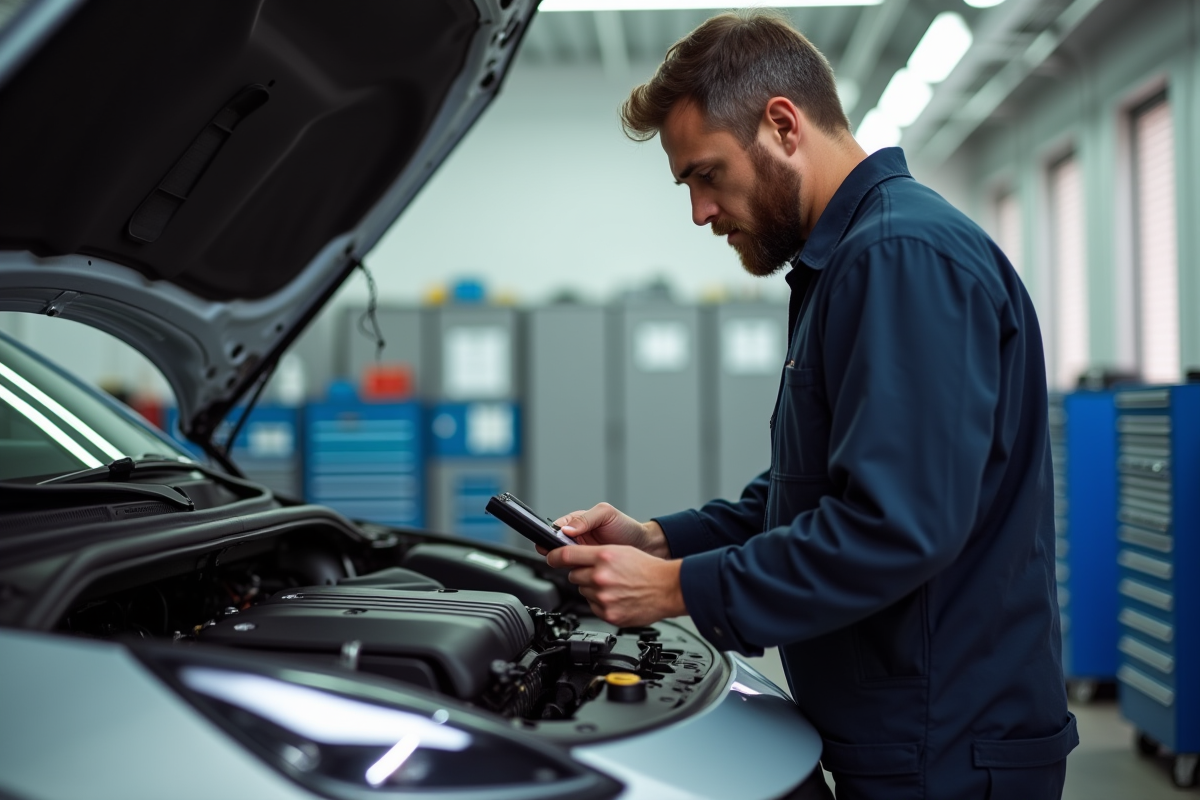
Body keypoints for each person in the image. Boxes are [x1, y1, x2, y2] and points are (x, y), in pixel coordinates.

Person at [541, 10, 1077, 800]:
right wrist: (658, 540)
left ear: (783, 125)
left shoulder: (898, 257)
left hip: (945, 747)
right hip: (918, 734)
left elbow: (895, 526)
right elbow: (813, 493)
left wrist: (681, 588)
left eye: (707, 174)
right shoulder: (858, 259)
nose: (698, 212)